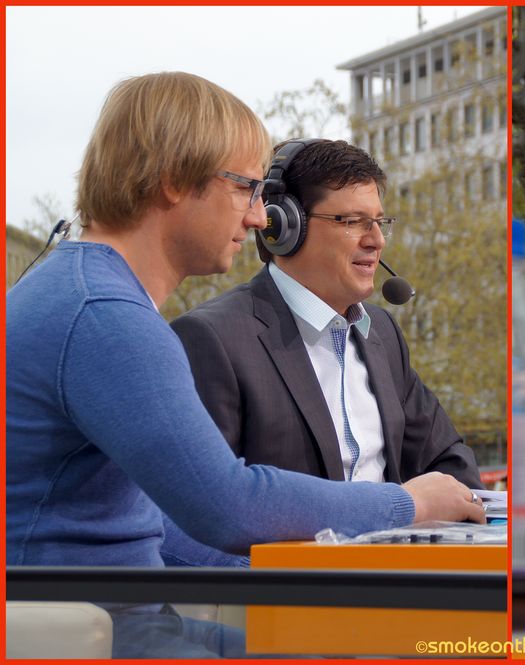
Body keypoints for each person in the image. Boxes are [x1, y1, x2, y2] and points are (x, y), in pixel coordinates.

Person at [5, 72, 484, 658]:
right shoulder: (107, 318)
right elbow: (228, 505)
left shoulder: (87, 296)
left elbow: (156, 524)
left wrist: (318, 576)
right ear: (174, 182)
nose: (261, 218)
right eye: (247, 189)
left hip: (127, 615)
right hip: (103, 632)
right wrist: (408, 505)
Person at [160, 138, 483, 566]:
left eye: (380, 221)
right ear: (283, 226)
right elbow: (198, 515)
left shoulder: (381, 332)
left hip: (402, 586)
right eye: (352, 221)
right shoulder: (210, 338)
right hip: (287, 601)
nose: (376, 241)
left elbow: (450, 461)